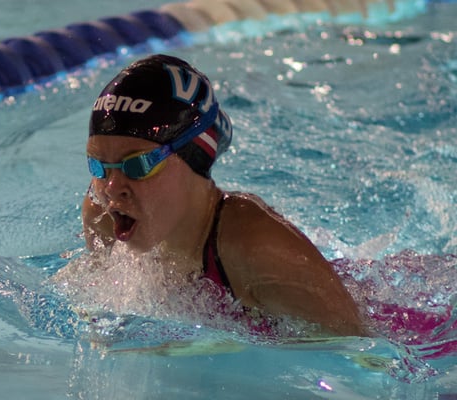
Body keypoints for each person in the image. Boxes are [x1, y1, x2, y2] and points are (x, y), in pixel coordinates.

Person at [81, 53, 367, 337]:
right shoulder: (102, 219)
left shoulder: (256, 248)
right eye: (99, 166)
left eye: (138, 165)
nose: (111, 188)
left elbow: (360, 350)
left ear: (193, 156)